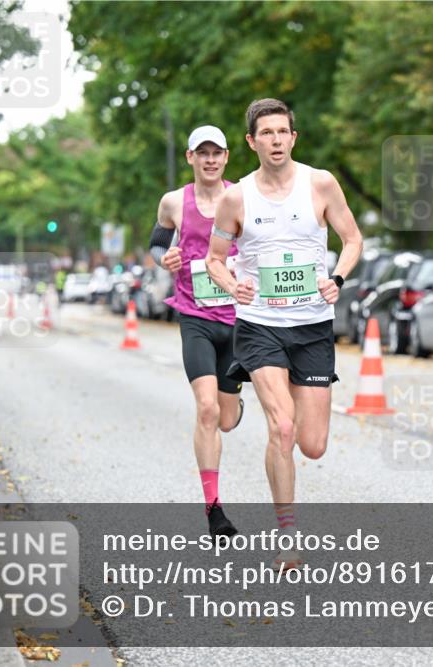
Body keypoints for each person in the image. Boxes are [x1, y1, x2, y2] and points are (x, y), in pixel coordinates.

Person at [206, 99, 363, 570]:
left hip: (312, 326)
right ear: (252, 142)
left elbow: (353, 239)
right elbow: (215, 258)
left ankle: (282, 437)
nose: (276, 140)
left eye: (283, 132)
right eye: (266, 133)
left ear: (294, 138)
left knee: (312, 443)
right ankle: (288, 536)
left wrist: (336, 278)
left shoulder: (321, 183)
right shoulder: (237, 198)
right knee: (283, 426)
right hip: (260, 327)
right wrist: (234, 284)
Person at [149, 125, 245, 538]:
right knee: (206, 409)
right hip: (195, 317)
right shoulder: (173, 202)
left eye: (216, 153)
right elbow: (156, 243)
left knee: (225, 418)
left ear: (226, 157)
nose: (209, 159)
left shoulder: (242, 196)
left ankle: (236, 405)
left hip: (239, 319)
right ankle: (214, 511)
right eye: (201, 153)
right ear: (190, 157)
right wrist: (163, 259)